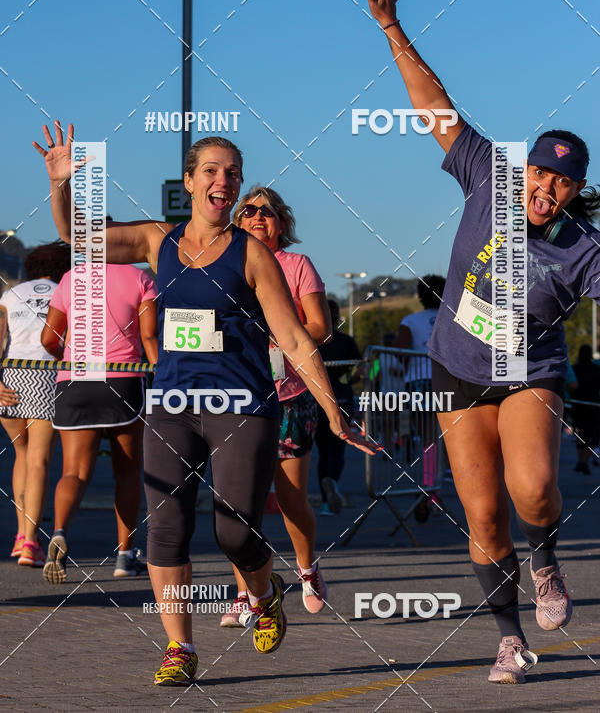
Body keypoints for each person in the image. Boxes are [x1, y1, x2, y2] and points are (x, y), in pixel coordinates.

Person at [34, 122, 378, 687]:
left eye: (232, 173)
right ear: (190, 181)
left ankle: (265, 595)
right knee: (164, 532)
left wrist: (335, 412)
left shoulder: (253, 255)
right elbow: (82, 235)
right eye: (212, 171)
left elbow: (293, 337)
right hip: (170, 404)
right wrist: (62, 184)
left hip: (241, 404)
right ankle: (179, 648)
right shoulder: (156, 241)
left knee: (235, 532)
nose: (224, 180)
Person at [365, 0, 600, 684]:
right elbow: (434, 104)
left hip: (530, 372)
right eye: (540, 173)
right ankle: (508, 637)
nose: (545, 189)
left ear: (574, 191)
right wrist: (393, 30)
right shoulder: (486, 176)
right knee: (482, 515)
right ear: (522, 169)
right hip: (457, 368)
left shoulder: (582, 250)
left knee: (531, 490)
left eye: (561, 182)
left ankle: (548, 561)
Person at [220, 185, 331, 623]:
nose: (257, 218)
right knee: (236, 503)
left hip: (289, 397)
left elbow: (319, 327)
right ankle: (246, 593)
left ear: (281, 223)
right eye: (247, 212)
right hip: (236, 396)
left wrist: (284, 338)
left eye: (266, 213)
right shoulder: (225, 265)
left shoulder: (297, 265)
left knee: (289, 498)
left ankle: (307, 569)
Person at [41, 261, 158, 581]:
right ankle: (124, 556)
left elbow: (49, 338)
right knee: (128, 472)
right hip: (123, 380)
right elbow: (149, 337)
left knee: (74, 472)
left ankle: (60, 532)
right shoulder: (140, 277)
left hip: (75, 381)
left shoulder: (69, 278)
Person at [0, 242, 71, 566]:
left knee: (21, 455)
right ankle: (31, 542)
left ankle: (19, 535)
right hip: (46, 374)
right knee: (40, 460)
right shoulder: (65, 291)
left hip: (11, 375)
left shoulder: (10, 295)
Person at [395, 276, 446, 521]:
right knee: (445, 439)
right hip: (448, 381)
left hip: (419, 384)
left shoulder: (410, 321)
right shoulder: (453, 318)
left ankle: (429, 490)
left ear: (420, 296)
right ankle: (434, 488)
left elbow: (399, 353)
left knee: (427, 439)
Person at [315, 299, 361, 515]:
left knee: (323, 452)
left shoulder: (311, 339)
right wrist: (348, 382)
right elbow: (360, 370)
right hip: (341, 398)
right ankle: (333, 481)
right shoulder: (345, 341)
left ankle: (326, 497)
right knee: (338, 449)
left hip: (315, 399)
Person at [571, 344, 600, 475]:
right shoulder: (596, 369)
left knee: (580, 433)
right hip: (593, 405)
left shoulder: (575, 369)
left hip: (577, 405)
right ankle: (584, 461)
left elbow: (570, 385)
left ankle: (581, 460)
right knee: (592, 435)